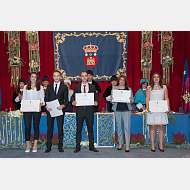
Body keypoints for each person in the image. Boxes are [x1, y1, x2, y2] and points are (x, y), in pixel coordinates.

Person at [71, 71, 99, 153]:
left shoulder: (93, 87)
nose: (84, 77)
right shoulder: (76, 87)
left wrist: (96, 101)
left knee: (90, 129)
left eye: (85, 76)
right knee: (78, 129)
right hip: (79, 111)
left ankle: (91, 146)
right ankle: (77, 147)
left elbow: (96, 97)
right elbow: (73, 97)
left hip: (89, 111)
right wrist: (73, 101)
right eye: (82, 76)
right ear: (80, 77)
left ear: (88, 77)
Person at [45, 70, 68, 153]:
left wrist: (63, 106)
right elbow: (46, 98)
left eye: (57, 75)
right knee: (50, 128)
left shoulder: (64, 87)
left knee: (60, 128)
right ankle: (48, 146)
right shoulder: (49, 86)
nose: (56, 77)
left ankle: (60, 146)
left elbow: (66, 99)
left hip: (59, 110)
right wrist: (46, 106)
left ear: (60, 77)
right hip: (50, 110)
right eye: (54, 76)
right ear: (53, 77)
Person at [146, 72, 170, 152]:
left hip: (161, 109)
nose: (156, 78)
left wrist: (168, 107)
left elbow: (166, 98)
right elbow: (147, 98)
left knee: (161, 126)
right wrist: (147, 107)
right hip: (152, 109)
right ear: (152, 79)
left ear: (160, 78)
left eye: (157, 77)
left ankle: (160, 144)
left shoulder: (164, 87)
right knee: (152, 126)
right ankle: (152, 145)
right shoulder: (149, 87)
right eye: (154, 77)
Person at [22, 73, 44, 153]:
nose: (33, 78)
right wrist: (22, 106)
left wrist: (40, 106)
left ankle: (35, 144)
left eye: (35, 77)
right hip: (27, 109)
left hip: (36, 109)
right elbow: (23, 98)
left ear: (37, 78)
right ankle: (28, 144)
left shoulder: (40, 87)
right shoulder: (25, 87)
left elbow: (42, 99)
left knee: (36, 126)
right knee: (27, 127)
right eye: (32, 77)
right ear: (30, 78)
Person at [111, 75, 134, 152]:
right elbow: (111, 101)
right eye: (120, 80)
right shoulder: (114, 89)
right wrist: (112, 100)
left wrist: (130, 100)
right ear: (118, 81)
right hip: (117, 110)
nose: (122, 81)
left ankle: (127, 145)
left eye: (123, 80)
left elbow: (132, 100)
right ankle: (120, 143)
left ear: (125, 81)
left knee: (127, 128)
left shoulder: (129, 89)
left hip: (126, 110)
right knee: (119, 127)